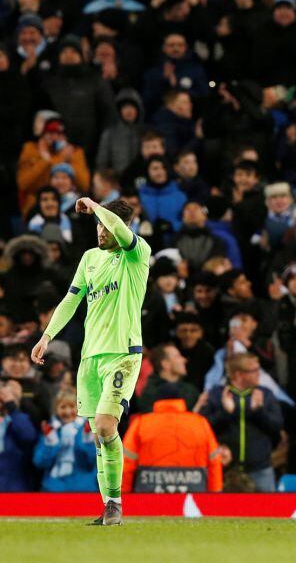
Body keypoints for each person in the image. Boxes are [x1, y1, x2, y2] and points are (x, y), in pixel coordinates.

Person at [31, 197, 150, 525]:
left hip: (123, 354)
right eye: (97, 225)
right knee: (97, 436)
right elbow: (71, 299)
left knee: (105, 426)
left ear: (120, 226)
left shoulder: (137, 254)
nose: (100, 230)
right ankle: (109, 505)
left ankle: (116, 505)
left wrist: (96, 205)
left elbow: (119, 230)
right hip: (90, 357)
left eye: (105, 224)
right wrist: (46, 336)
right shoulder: (89, 258)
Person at [202, 352, 284, 493]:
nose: (259, 374)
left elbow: (277, 426)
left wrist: (259, 411)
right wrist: (224, 412)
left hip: (260, 469)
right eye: (254, 370)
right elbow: (203, 428)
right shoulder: (217, 395)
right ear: (239, 375)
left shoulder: (266, 394)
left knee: (267, 512)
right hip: (226, 469)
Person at [120, 397, 225, 493]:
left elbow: (126, 462)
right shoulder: (200, 422)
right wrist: (215, 494)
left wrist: (123, 493)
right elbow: (214, 460)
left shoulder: (141, 423)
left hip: (148, 495)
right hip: (193, 497)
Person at [32, 390, 97, 492]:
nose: (67, 412)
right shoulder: (51, 429)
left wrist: (88, 440)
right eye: (63, 407)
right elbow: (40, 463)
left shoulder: (88, 428)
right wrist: (50, 442)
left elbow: (92, 461)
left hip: (83, 489)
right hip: (53, 489)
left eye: (72, 407)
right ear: (56, 409)